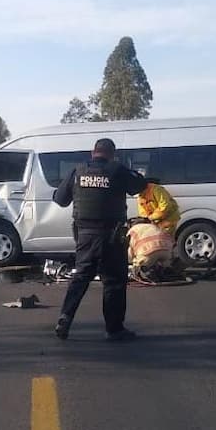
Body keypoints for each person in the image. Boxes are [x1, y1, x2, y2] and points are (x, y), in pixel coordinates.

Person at [52, 138, 147, 341]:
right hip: (111, 236)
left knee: (80, 278)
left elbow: (60, 200)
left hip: (84, 235)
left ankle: (65, 318)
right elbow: (139, 185)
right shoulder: (117, 170)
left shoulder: (77, 171)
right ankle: (114, 330)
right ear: (112, 154)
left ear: (92, 152)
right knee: (113, 282)